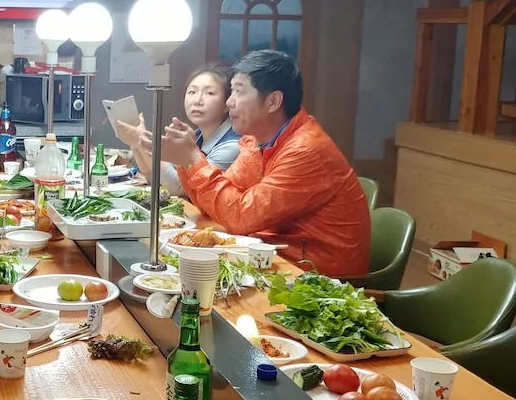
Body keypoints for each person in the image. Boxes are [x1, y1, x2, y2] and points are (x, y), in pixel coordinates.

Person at [147, 50, 370, 277]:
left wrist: (192, 160)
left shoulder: (305, 151)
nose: (229, 102)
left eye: (238, 92)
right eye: (231, 91)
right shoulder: (257, 140)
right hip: (273, 257)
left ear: (273, 101)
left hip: (318, 276)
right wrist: (187, 160)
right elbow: (215, 205)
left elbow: (240, 217)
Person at [116, 64, 239, 195]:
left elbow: (180, 189)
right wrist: (135, 144)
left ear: (227, 103)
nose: (197, 100)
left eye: (209, 93)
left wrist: (139, 140)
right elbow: (155, 179)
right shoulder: (197, 136)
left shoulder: (233, 146)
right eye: (192, 92)